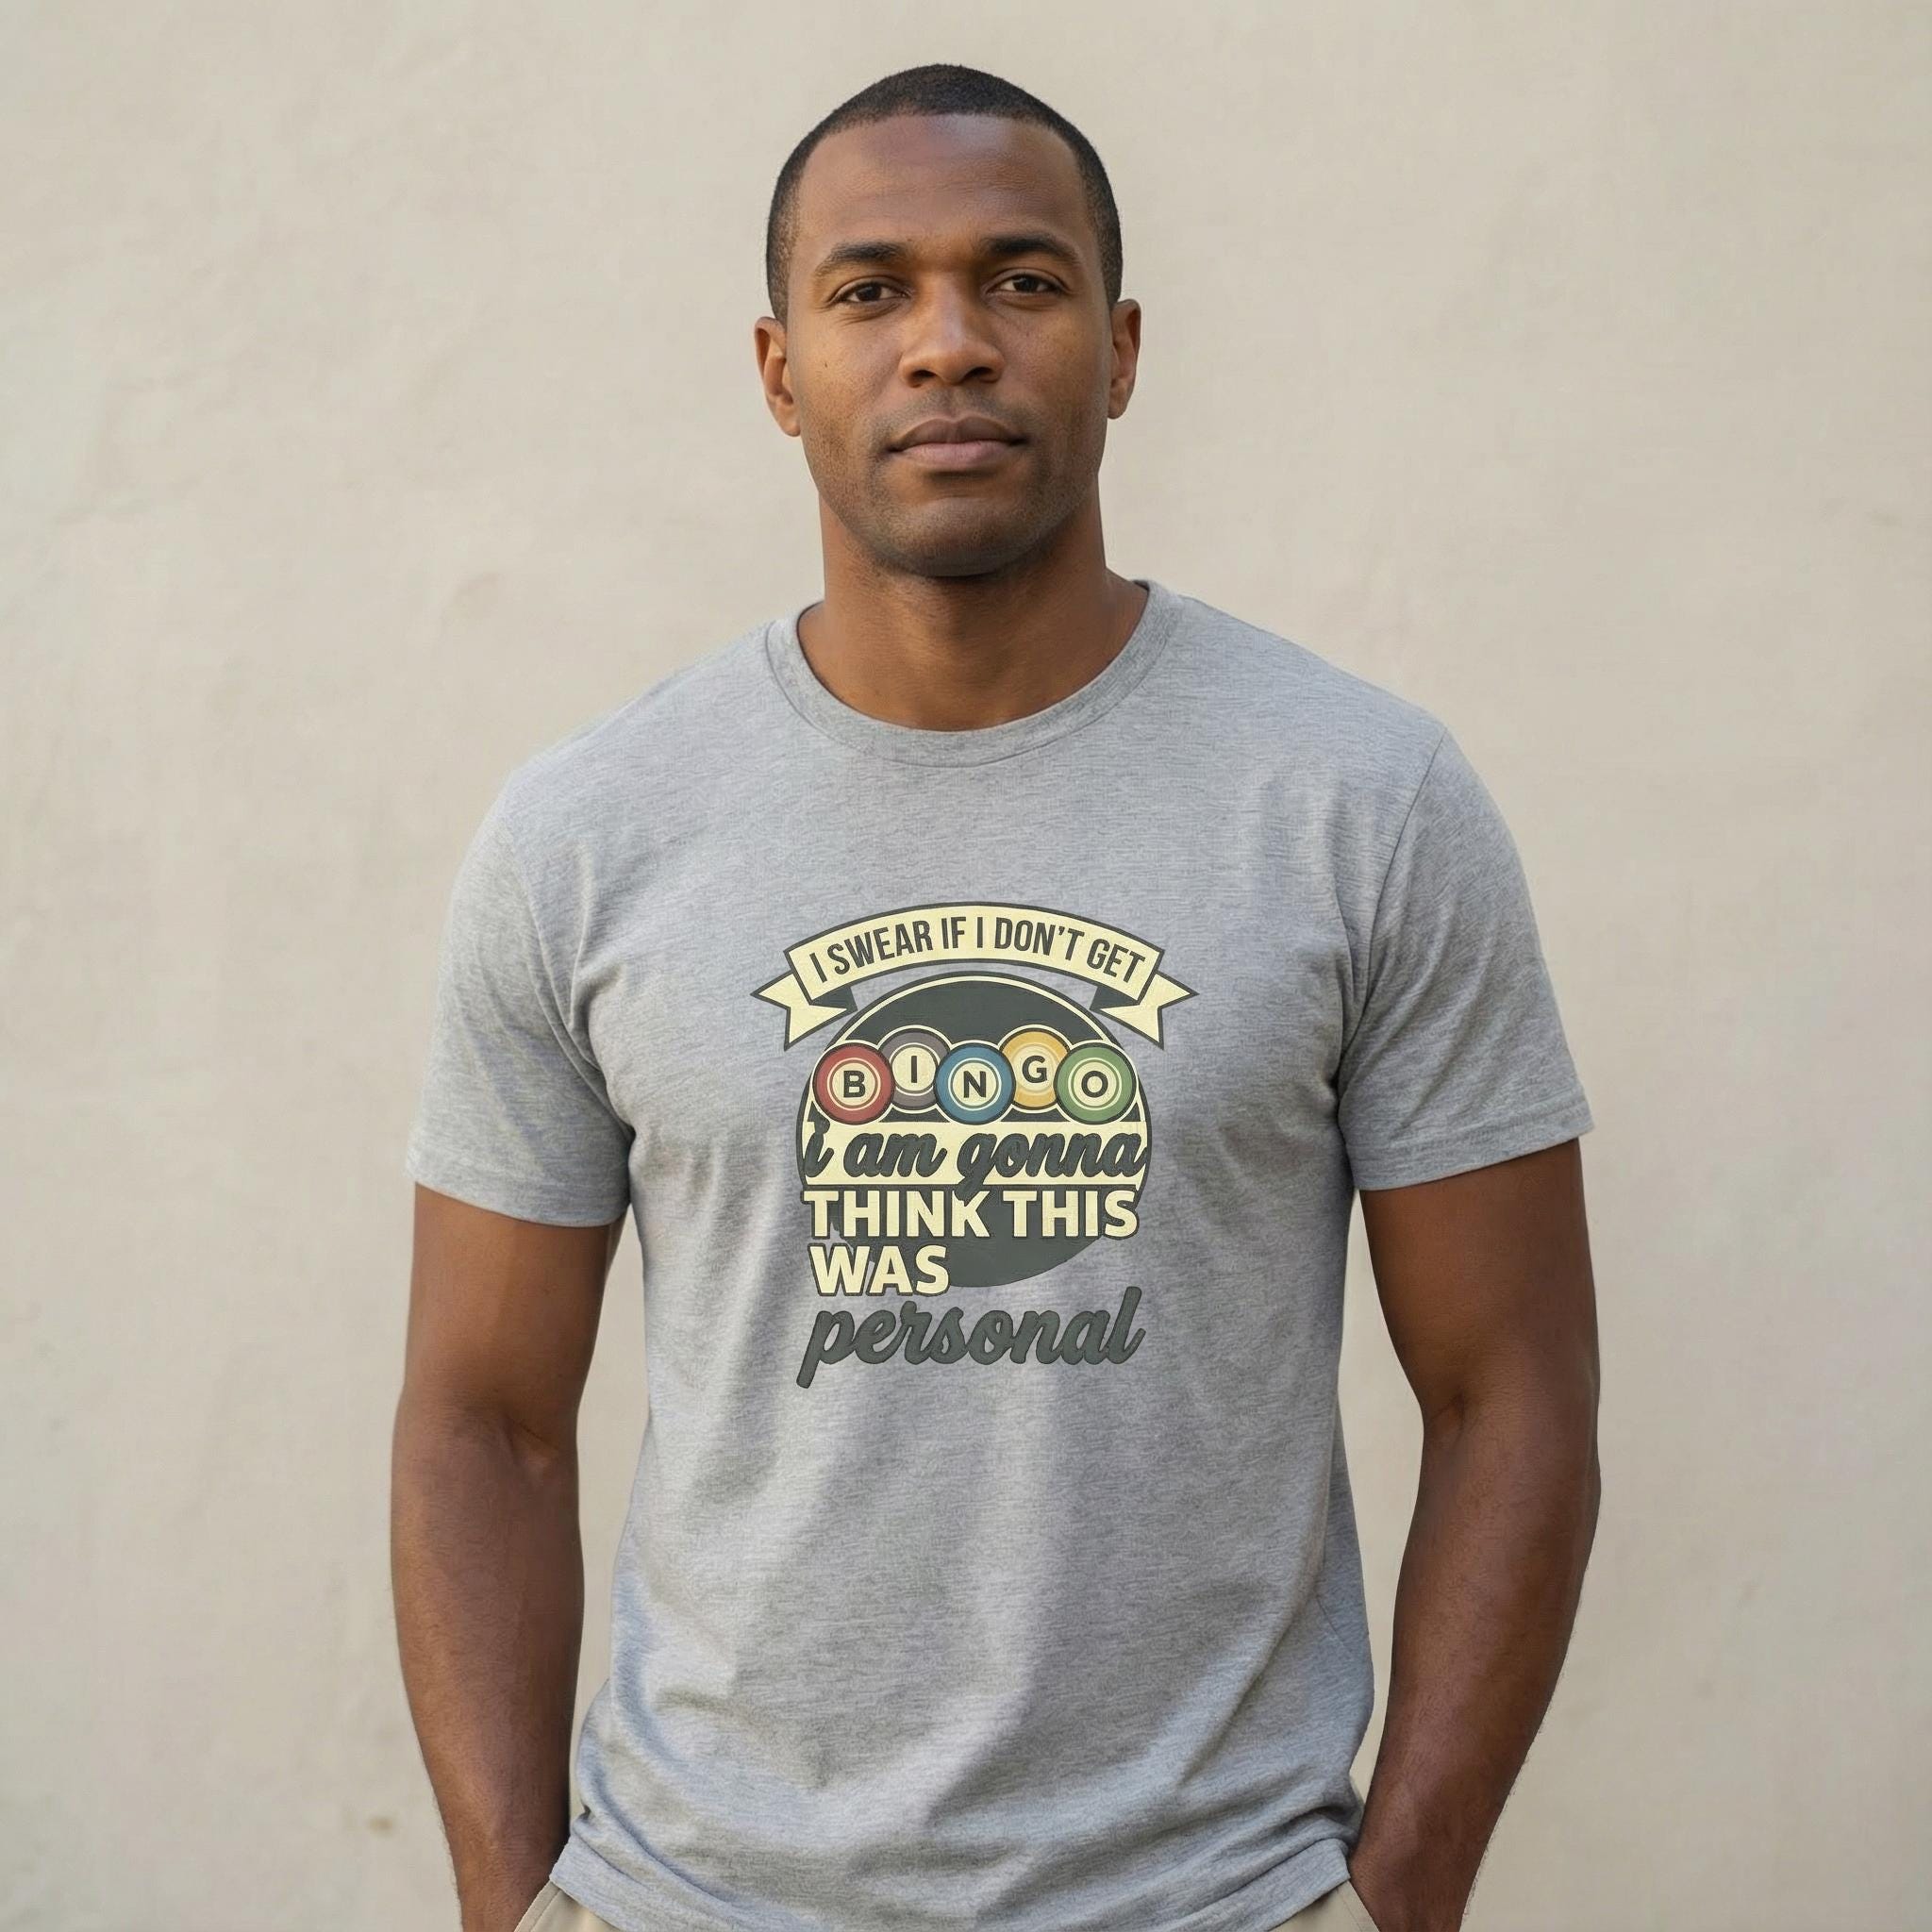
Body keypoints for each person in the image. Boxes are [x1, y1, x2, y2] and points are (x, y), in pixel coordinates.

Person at [391, 61, 1600, 1932]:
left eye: (1020, 281)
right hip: (691, 1894)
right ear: (780, 369)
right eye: (870, 289)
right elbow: (482, 1416)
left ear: (1119, 352)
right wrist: (509, 1901)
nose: (947, 343)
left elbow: (1511, 1387)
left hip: (1212, 1895)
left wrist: (1396, 1898)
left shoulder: (1359, 800)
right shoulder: (589, 835)